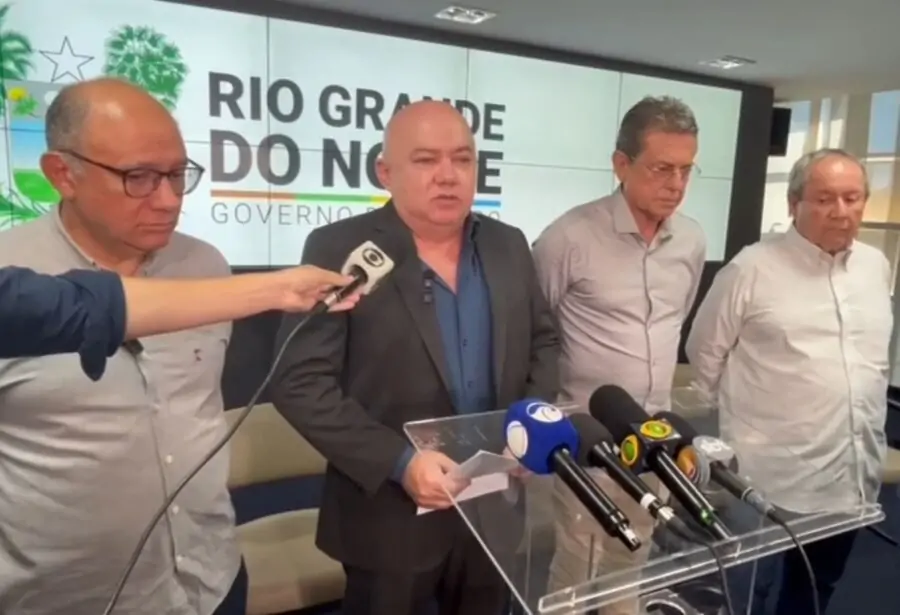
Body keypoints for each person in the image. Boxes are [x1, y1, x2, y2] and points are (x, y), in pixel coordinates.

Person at [270, 100, 560, 615]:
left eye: (462, 159)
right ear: (385, 172)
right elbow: (301, 382)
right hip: (389, 515)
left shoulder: (509, 245)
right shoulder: (341, 248)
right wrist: (399, 464)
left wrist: (529, 427)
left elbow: (544, 343)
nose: (448, 176)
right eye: (426, 160)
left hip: (494, 503)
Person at [0, 77, 250, 615]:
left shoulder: (206, 266)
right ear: (62, 174)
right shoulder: (12, 280)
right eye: (139, 177)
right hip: (68, 599)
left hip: (212, 579)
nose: (169, 200)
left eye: (178, 174)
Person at [686, 148, 890, 615]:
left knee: (816, 591)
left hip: (851, 473)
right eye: (824, 198)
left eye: (852, 198)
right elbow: (704, 354)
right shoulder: (751, 268)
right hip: (768, 479)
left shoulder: (875, 267)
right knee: (746, 595)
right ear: (794, 204)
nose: (841, 211)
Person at [531, 95, 706, 614]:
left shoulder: (691, 240)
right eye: (661, 168)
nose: (676, 184)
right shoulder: (568, 238)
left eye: (686, 170)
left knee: (629, 565)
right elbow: (535, 335)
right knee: (576, 575)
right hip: (588, 447)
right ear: (621, 164)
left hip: (655, 442)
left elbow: (676, 321)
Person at [0, 264, 358, 373]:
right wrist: (279, 290)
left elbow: (85, 307)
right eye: (137, 177)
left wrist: (281, 290)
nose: (169, 200)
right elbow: (81, 309)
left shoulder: (203, 259)